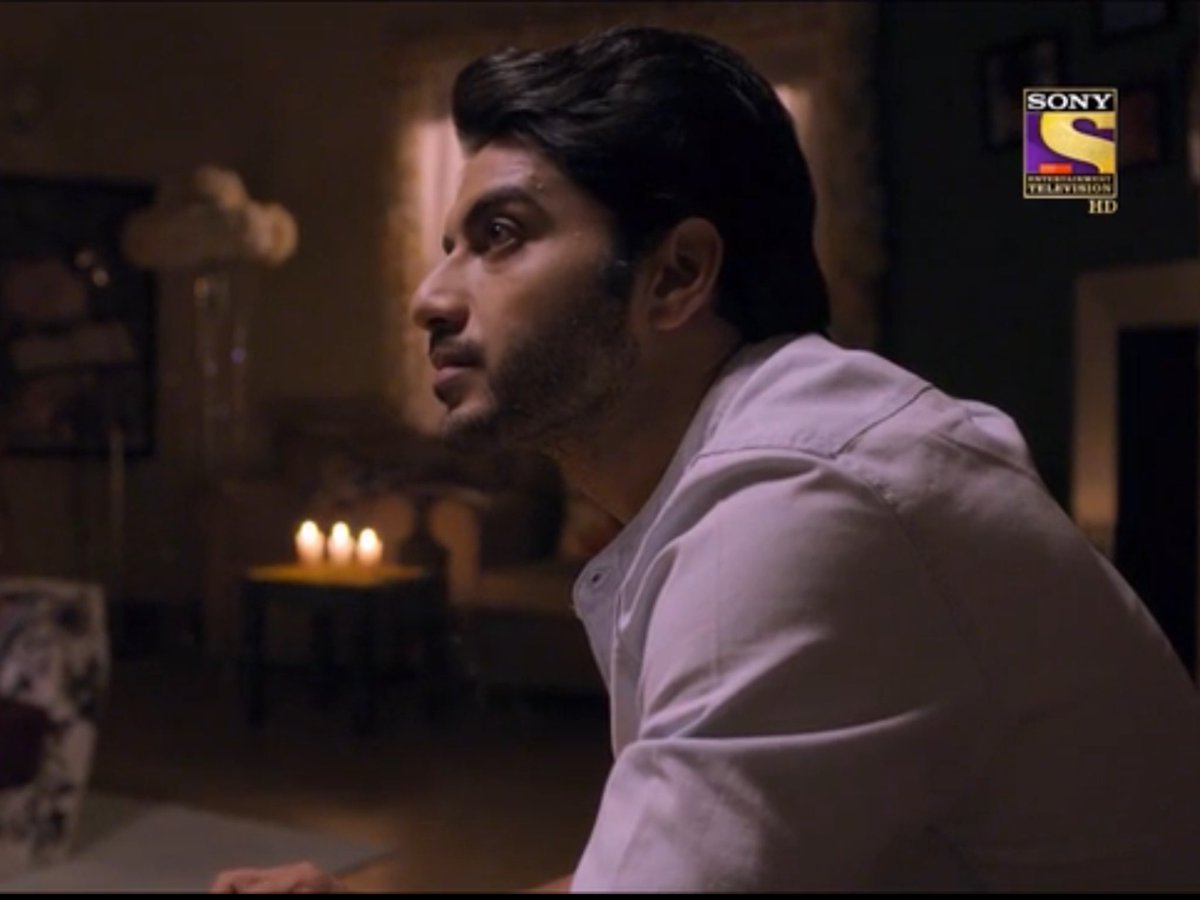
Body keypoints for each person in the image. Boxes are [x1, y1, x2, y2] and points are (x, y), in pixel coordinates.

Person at [211, 24, 1200, 893]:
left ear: (675, 275)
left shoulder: (801, 507)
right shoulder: (790, 459)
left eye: (500, 236)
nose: (429, 296)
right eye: (447, 246)